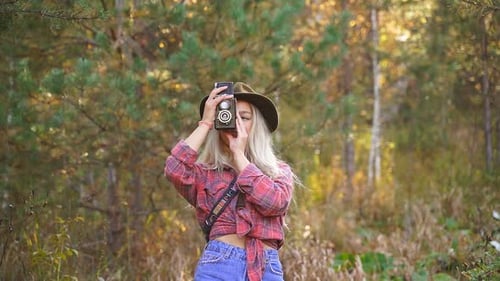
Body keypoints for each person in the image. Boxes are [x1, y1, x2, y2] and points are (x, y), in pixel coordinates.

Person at [164, 82, 296, 281]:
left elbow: (275, 202)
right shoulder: (206, 172)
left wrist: (239, 156)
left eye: (244, 117)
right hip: (220, 265)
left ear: (257, 124)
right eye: (230, 117)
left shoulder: (278, 171)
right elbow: (175, 169)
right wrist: (205, 123)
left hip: (266, 268)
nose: (237, 123)